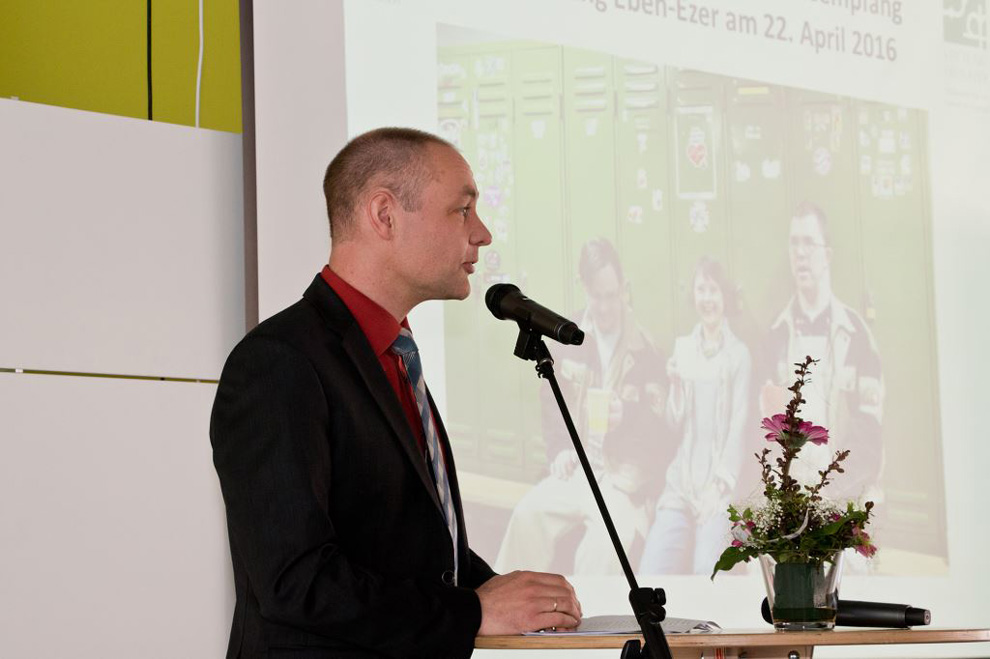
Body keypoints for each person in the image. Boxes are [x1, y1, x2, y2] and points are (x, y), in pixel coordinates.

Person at [210, 128, 581, 659]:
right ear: (384, 215)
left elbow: (399, 550)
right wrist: (474, 612)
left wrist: (507, 593)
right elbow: (296, 581)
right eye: (462, 210)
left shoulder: (394, 353)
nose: (482, 234)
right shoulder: (279, 363)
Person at [494, 238, 669, 575]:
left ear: (623, 289)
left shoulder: (645, 349)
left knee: (604, 547)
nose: (604, 307)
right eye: (597, 296)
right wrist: (560, 450)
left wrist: (627, 415)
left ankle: (587, 608)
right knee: (527, 515)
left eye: (611, 296)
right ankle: (509, 601)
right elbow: (551, 402)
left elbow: (660, 432)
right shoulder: (567, 338)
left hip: (623, 482)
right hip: (578, 470)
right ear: (584, 288)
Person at [760, 201, 884, 501]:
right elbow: (767, 429)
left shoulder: (856, 336)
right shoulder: (776, 336)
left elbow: (869, 435)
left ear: (827, 255)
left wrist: (831, 492)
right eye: (794, 243)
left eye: (809, 243)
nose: (800, 253)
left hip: (843, 496)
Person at [638, 257, 752, 575]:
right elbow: (674, 424)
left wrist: (718, 488)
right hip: (681, 484)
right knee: (652, 570)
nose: (707, 298)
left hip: (717, 488)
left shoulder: (739, 355)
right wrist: (674, 386)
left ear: (725, 296)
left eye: (713, 290)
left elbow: (738, 426)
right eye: (701, 290)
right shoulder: (683, 348)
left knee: (708, 570)